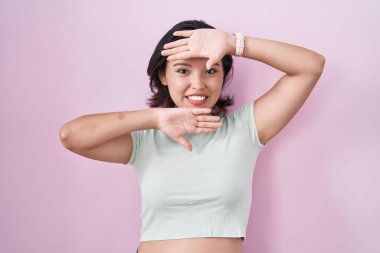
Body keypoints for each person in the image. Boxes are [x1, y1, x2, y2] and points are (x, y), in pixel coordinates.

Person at [59, 19, 325, 253]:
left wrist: (232, 43)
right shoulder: (145, 140)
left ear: (224, 75)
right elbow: (70, 135)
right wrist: (155, 118)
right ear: (163, 75)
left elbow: (310, 67)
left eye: (211, 70)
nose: (198, 84)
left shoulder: (243, 130)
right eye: (183, 70)